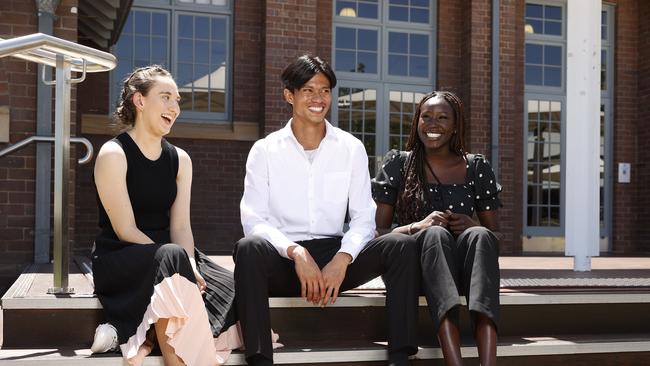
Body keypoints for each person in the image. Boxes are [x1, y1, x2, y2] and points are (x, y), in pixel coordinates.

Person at [233, 54, 420, 366]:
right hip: (284, 260)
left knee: (401, 246)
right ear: (288, 95)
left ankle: (400, 357)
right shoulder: (264, 151)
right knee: (248, 248)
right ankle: (260, 359)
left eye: (324, 90)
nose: (318, 99)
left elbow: (363, 217)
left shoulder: (350, 148)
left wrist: (343, 259)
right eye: (308, 90)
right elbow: (253, 219)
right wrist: (295, 252)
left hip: (335, 258)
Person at [91, 65, 241, 366]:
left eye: (177, 101)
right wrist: (180, 263)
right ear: (140, 101)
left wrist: (190, 264)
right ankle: (170, 352)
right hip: (124, 255)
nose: (174, 107)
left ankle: (138, 332)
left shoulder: (180, 159)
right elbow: (125, 229)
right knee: (172, 259)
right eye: (166, 97)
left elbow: (181, 226)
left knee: (229, 282)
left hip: (170, 255)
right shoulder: (113, 154)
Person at [372, 91, 501, 366]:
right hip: (415, 270)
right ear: (416, 122)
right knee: (435, 233)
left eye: (443, 118)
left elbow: (495, 237)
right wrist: (417, 226)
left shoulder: (476, 166)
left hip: (467, 272)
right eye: (426, 116)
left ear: (456, 126)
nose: (433, 124)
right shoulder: (399, 164)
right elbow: (378, 236)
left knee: (480, 235)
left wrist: (472, 224)